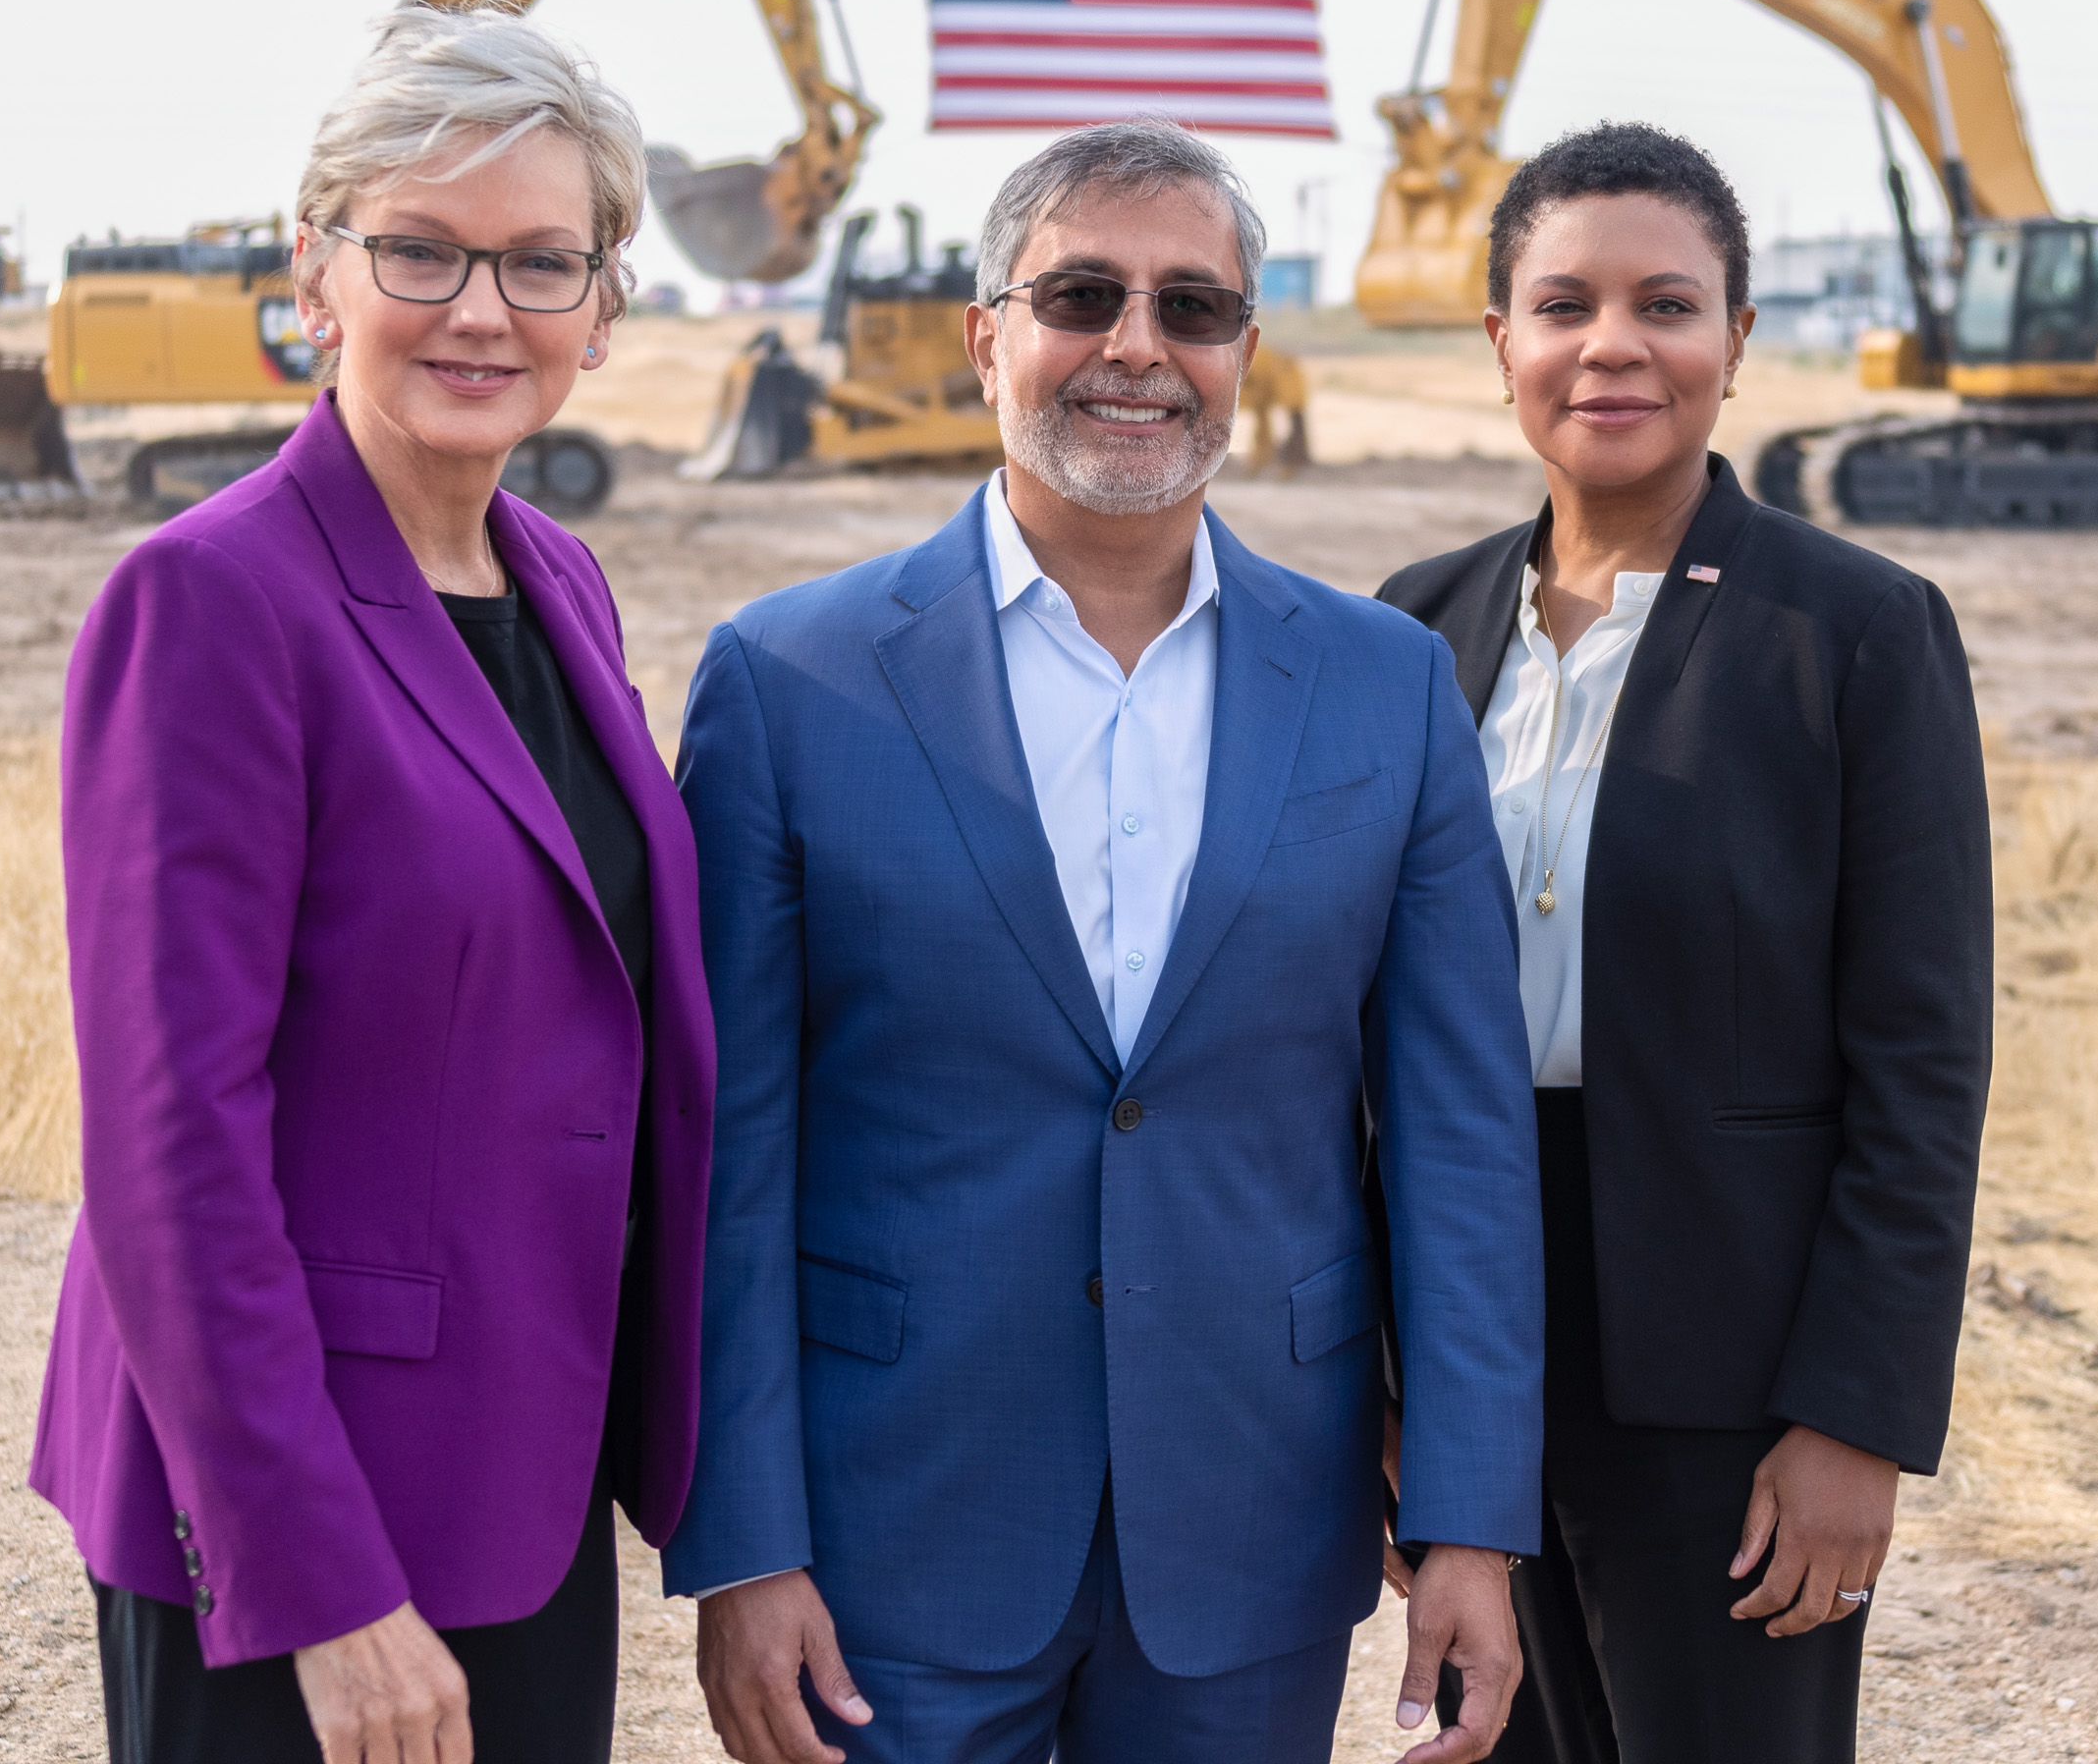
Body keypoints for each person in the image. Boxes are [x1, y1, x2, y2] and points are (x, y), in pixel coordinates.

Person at [667, 117, 1543, 1764]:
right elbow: (729, 1153)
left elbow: (1463, 1138)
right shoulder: (786, 680)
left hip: (1252, 1517)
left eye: (1191, 307)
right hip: (889, 1529)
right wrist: (744, 1540)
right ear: (986, 335)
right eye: (1082, 296)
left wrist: (1474, 1518)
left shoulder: (1384, 685)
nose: (1138, 347)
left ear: (1244, 352)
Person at [28, 3, 715, 1764]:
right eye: (422, 249)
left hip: (521, 1462)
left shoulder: (557, 579)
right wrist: (318, 1582)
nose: (482, 310)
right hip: (300, 1509)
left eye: (541, 262)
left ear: (602, 306)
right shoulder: (211, 602)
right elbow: (170, 1139)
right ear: (315, 272)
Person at [1377, 121, 1992, 1762]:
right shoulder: (1406, 630)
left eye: (1666, 304)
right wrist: (1374, 1375)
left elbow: (1924, 1060)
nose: (1613, 345)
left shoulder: (1856, 631)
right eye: (1563, 305)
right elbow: (1348, 1029)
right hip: (1468, 1331)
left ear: (1736, 338)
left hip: (1733, 1358)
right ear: (1500, 339)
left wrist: (1856, 1416)